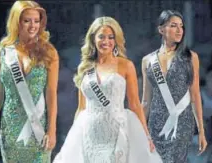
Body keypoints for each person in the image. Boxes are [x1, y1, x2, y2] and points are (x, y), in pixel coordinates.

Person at [53, 16, 162, 163]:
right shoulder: (86, 68)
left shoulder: (126, 65)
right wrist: (73, 137)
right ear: (93, 39)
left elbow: (135, 104)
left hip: (116, 130)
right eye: (101, 37)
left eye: (111, 37)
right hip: (90, 132)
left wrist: (146, 136)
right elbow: (81, 107)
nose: (106, 41)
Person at [0, 1, 59, 162]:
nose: (33, 26)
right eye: (27, 21)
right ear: (16, 21)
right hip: (11, 130)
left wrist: (52, 130)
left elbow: (51, 94)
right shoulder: (2, 53)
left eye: (36, 21)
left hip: (39, 130)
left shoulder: (49, 52)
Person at [141, 10, 207, 163]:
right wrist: (140, 130)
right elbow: (145, 101)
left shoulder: (190, 57)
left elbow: (195, 95)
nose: (179, 30)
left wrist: (201, 131)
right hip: (156, 124)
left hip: (181, 122)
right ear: (161, 29)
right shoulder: (148, 60)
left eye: (181, 26)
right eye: (173, 26)